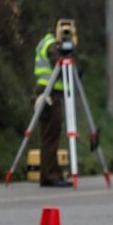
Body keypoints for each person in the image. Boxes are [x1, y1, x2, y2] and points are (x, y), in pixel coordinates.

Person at [33, 27, 71, 187]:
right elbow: (59, 65)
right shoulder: (51, 45)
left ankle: (53, 173)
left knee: (50, 137)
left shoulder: (46, 42)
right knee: (50, 137)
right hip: (50, 95)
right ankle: (50, 176)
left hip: (47, 93)